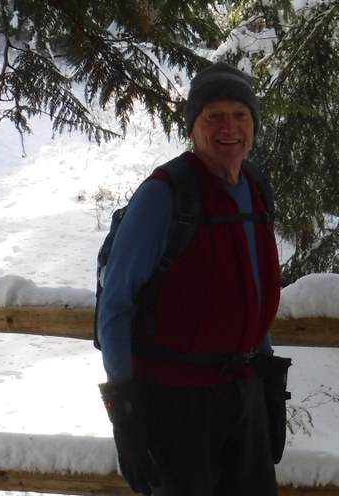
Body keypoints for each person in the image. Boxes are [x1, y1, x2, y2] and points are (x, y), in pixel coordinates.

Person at [96, 62, 282, 496]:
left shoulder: (255, 186)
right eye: (213, 115)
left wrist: (268, 375)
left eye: (240, 114)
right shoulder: (165, 195)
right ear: (193, 125)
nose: (229, 127)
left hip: (244, 392)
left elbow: (251, 287)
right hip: (174, 402)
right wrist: (125, 412)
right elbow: (116, 305)